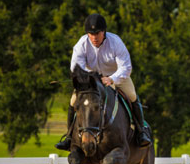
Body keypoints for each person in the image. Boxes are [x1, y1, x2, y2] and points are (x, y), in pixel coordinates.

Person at [55, 13, 152, 150]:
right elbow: (76, 67)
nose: (94, 37)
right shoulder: (81, 44)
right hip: (92, 80)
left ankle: (141, 132)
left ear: (104, 32)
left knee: (132, 96)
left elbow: (126, 67)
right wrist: (89, 78)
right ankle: (69, 137)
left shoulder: (116, 42)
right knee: (73, 100)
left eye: (97, 33)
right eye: (91, 34)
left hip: (117, 76)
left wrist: (112, 78)